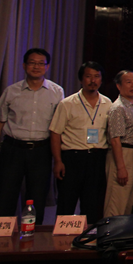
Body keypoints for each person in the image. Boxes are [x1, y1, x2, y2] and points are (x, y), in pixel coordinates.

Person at [0, 48, 64, 224]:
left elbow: (59, 126)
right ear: (24, 65)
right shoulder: (11, 91)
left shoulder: (57, 92)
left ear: (47, 66)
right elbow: (0, 121)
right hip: (12, 149)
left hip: (41, 150)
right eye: (32, 63)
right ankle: (3, 235)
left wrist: (58, 158)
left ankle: (33, 236)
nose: (36, 67)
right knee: (5, 196)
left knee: (37, 198)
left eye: (41, 63)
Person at [49, 61, 112, 224]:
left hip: (97, 159)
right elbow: (55, 133)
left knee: (92, 204)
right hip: (72, 158)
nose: (93, 80)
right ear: (81, 79)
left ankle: (90, 237)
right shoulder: (67, 103)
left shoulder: (108, 103)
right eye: (88, 76)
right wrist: (58, 161)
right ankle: (63, 237)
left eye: (97, 76)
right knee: (66, 203)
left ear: (101, 80)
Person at [103, 70, 133, 217]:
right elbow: (115, 140)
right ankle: (111, 230)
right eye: (128, 82)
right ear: (119, 86)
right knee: (117, 202)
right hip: (124, 154)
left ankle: (124, 230)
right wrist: (121, 167)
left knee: (129, 202)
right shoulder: (118, 108)